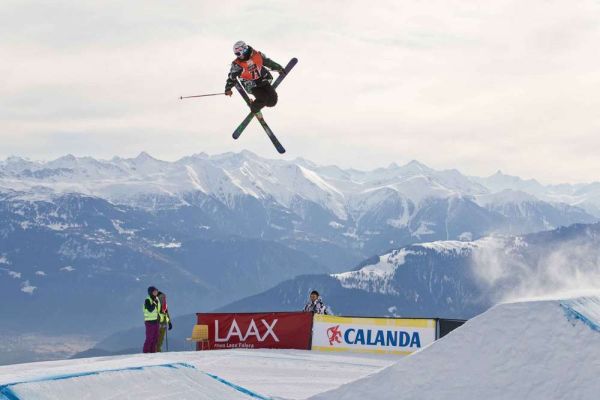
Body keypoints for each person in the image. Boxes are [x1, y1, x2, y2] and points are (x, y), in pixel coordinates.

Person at [225, 40, 285, 114]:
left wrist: (278, 68)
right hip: (251, 85)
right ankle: (254, 108)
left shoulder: (257, 55)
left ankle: (260, 103)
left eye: (239, 53)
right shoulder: (237, 64)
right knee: (263, 98)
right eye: (236, 54)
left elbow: (268, 62)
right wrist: (228, 88)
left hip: (263, 80)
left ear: (244, 49)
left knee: (272, 101)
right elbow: (232, 77)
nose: (239, 56)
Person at [143, 286, 160, 353]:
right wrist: (155, 302)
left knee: (155, 338)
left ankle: (153, 352)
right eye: (154, 291)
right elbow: (150, 309)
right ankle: (146, 352)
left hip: (156, 321)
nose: (156, 293)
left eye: (156, 291)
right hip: (149, 322)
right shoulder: (147, 300)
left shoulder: (156, 299)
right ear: (150, 292)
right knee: (149, 338)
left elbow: (157, 310)